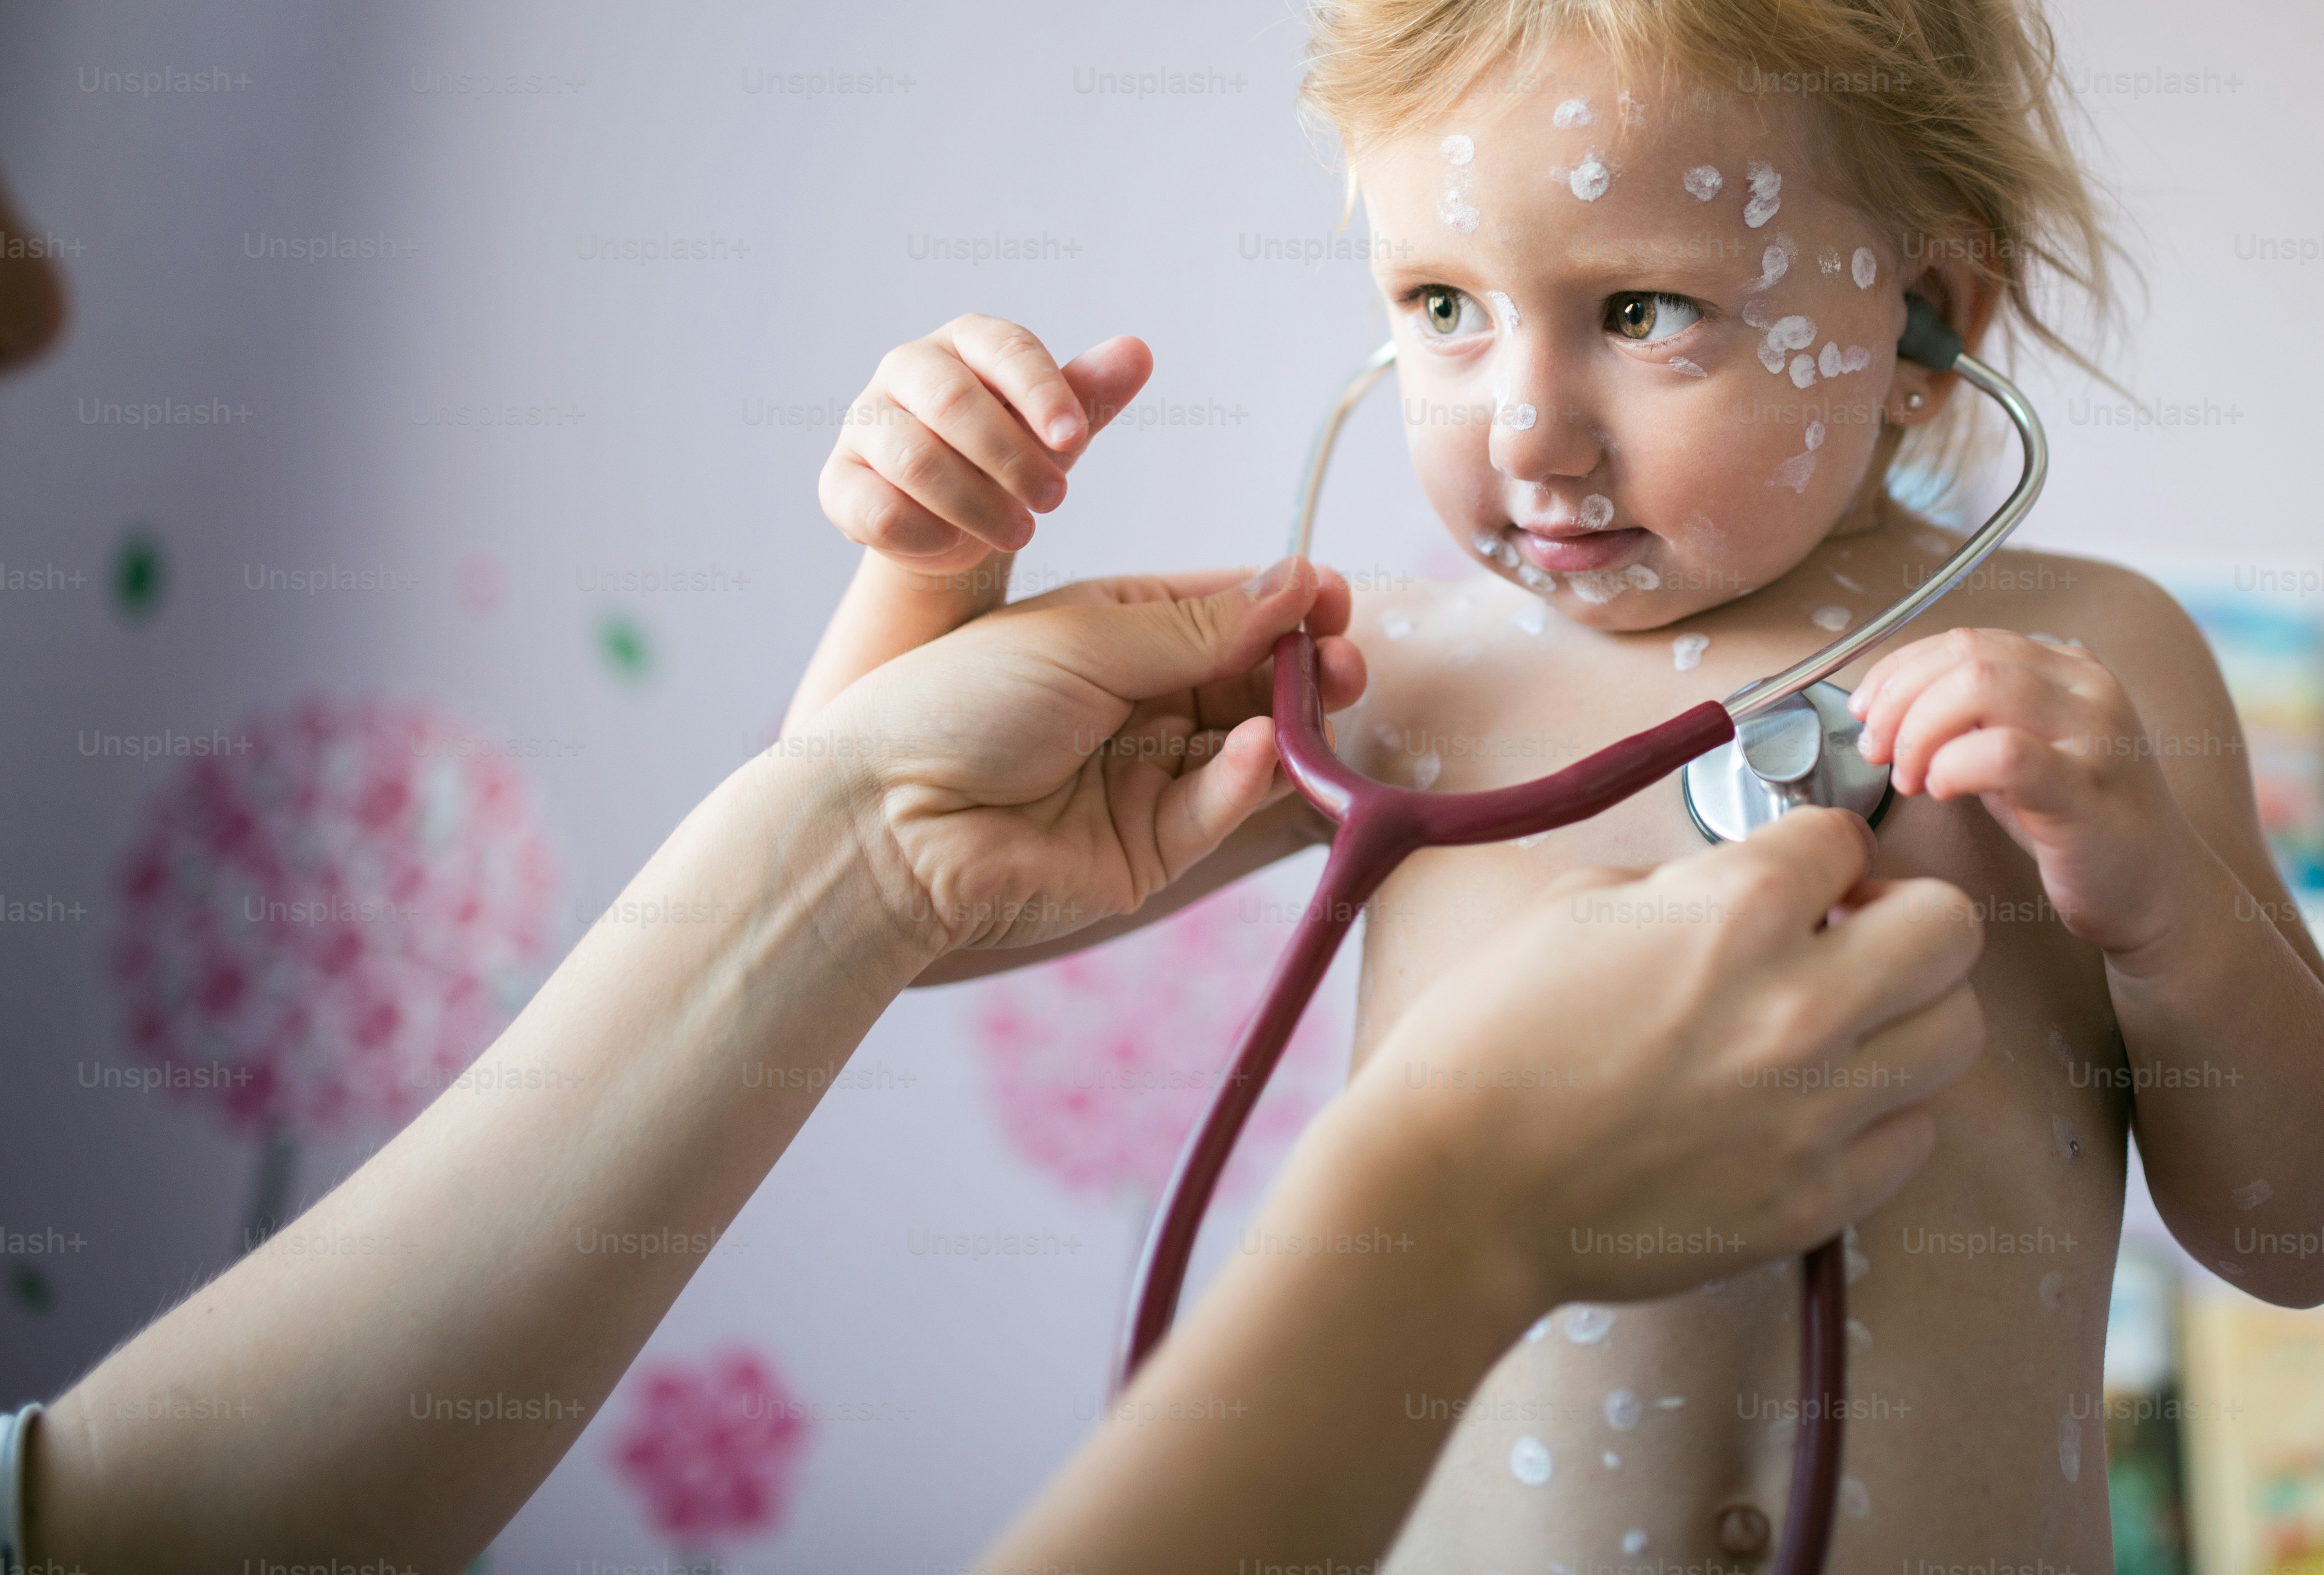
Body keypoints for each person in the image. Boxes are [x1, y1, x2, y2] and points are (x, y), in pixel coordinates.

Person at [800, 0, 2324, 1570]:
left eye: (1642, 312)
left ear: (1922, 321)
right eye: (1444, 304)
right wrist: (925, 565)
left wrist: (2161, 906)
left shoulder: (2093, 670)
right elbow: (888, 902)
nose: (1526, 428)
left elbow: (2307, 1235)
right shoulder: (1391, 678)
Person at [8, 555, 1985, 1570]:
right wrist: (1443, 1209)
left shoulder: (2048, 663)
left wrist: (854, 848)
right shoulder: (1445, 675)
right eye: (1443, 308)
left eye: (1642, 309)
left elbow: (112, 1536)